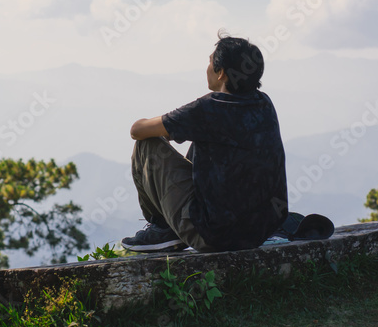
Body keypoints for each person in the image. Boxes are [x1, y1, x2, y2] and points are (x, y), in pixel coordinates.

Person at [121, 33, 288, 253]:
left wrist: (166, 128)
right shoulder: (264, 103)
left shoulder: (209, 108)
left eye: (210, 63)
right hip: (259, 232)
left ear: (221, 73)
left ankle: (163, 227)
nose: (207, 68)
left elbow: (137, 131)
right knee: (203, 141)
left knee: (147, 146)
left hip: (214, 236)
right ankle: (171, 226)